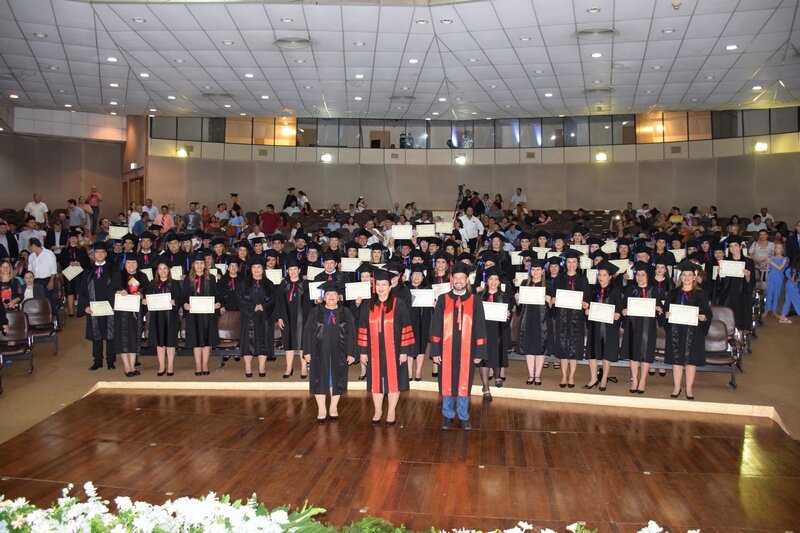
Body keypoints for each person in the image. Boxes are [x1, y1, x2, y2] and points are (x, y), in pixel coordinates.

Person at [429, 262, 487, 430]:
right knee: (446, 381)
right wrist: (435, 350)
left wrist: (479, 352)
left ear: (467, 280)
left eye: (462, 278)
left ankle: (463, 415)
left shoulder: (475, 301)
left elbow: (480, 327)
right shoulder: (443, 299)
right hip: (446, 349)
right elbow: (436, 326)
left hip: (467, 350)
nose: (459, 281)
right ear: (452, 280)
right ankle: (448, 415)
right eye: (456, 278)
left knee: (464, 381)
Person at [357, 268, 415, 426]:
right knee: (376, 382)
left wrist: (404, 351)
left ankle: (391, 411)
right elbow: (362, 328)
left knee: (393, 381)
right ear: (374, 286)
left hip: (394, 350)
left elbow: (406, 327)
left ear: (390, 286)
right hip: (373, 350)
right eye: (378, 284)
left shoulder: (399, 304)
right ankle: (378, 411)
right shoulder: (367, 304)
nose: (381, 287)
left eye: (384, 284)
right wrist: (362, 352)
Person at [302, 281, 357, 423]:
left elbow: (352, 333)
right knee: (319, 379)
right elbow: (307, 332)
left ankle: (333, 407)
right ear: (324, 297)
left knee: (336, 379)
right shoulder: (316, 311)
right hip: (318, 352)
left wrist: (351, 352)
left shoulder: (346, 312)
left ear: (339, 297)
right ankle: (321, 409)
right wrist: (307, 351)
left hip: (340, 352)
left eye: (334, 294)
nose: (331, 296)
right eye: (328, 294)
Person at [664, 261, 713, 400]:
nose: (686, 277)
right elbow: (666, 310)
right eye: (683, 274)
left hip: (694, 331)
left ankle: (689, 388)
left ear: (694, 277)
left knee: (691, 361)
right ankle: (677, 387)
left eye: (689, 275)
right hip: (676, 330)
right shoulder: (673, 293)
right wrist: (666, 315)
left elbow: (708, 313)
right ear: (680, 277)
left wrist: (704, 317)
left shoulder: (701, 294)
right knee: (677, 360)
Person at [548, 249, 589, 388]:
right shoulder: (560, 278)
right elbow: (554, 295)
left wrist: (585, 303)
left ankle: (572, 376)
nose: (571, 264)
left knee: (574, 346)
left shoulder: (583, 279)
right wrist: (553, 299)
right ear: (565, 263)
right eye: (569, 262)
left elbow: (587, 297)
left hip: (577, 317)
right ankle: (564, 375)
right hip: (562, 316)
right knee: (563, 345)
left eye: (574, 262)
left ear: (578, 263)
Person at [621, 262, 660, 394]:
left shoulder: (653, 290)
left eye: (643, 275)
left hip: (648, 326)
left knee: (646, 353)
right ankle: (635, 380)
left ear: (648, 276)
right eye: (638, 274)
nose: (640, 277)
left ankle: (643, 380)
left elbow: (660, 306)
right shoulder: (631, 289)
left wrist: (659, 309)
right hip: (633, 325)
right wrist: (623, 311)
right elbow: (623, 306)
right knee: (634, 353)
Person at [584, 261, 623, 391]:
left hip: (609, 327)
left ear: (610, 277)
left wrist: (617, 315)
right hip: (595, 325)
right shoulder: (593, 290)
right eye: (599, 274)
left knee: (607, 353)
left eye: (604, 275)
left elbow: (619, 309)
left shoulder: (615, 291)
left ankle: (604, 379)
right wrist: (587, 310)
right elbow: (588, 305)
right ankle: (594, 378)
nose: (601, 277)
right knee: (592, 352)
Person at [77, 241, 116, 370]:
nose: (99, 254)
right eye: (97, 252)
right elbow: (83, 290)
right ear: (93, 254)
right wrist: (85, 307)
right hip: (94, 308)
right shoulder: (88, 271)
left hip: (110, 307)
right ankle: (97, 360)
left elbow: (117, 287)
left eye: (102, 252)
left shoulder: (113, 269)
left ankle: (111, 361)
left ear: (105, 254)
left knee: (111, 335)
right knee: (96, 335)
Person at [237, 258, 278, 378]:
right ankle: (248, 367)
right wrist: (252, 307)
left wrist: (263, 306)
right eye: (254, 267)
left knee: (263, 341)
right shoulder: (244, 284)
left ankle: (262, 367)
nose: (256, 270)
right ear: (251, 269)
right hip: (248, 316)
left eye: (259, 267)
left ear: (263, 269)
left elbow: (273, 300)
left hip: (264, 317)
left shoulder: (269, 284)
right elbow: (239, 299)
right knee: (247, 342)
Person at [182, 252, 221, 376]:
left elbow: (217, 295)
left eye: (202, 263)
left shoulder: (211, 278)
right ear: (193, 265)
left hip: (207, 315)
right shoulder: (188, 280)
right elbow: (183, 297)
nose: (199, 266)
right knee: (196, 340)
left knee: (206, 340)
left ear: (205, 264)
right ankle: (198, 365)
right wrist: (185, 304)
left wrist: (218, 304)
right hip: (193, 315)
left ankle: (205, 364)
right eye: (197, 263)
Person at [516, 258, 551, 386]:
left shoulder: (549, 284)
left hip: (542, 320)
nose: (535, 272)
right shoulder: (525, 283)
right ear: (530, 271)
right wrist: (517, 300)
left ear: (542, 271)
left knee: (540, 346)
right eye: (533, 269)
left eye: (538, 269)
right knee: (529, 346)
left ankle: (538, 375)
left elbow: (552, 306)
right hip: (528, 317)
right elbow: (520, 306)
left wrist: (550, 300)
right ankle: (531, 374)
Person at [144, 260, 181, 376]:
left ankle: (170, 366)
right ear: (157, 271)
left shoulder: (174, 283)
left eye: (165, 268)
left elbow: (180, 299)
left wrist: (176, 302)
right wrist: (145, 301)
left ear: (168, 270)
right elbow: (147, 298)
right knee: (159, 343)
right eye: (160, 269)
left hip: (171, 317)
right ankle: (161, 366)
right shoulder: (152, 284)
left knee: (170, 342)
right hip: (156, 317)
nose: (163, 271)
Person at [276, 256, 311, 379]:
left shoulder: (305, 283)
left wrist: (309, 320)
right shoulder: (283, 283)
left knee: (302, 343)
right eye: (290, 269)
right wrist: (279, 317)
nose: (292, 272)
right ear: (287, 271)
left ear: (299, 270)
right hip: (287, 317)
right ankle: (288, 367)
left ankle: (303, 367)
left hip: (302, 317)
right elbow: (279, 301)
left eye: (295, 269)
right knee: (288, 342)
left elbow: (309, 303)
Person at [479, 267, 511, 397]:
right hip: (483, 330)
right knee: (484, 357)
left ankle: (497, 375)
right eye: (490, 279)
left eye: (496, 279)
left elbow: (508, 314)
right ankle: (485, 387)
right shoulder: (480, 296)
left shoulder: (504, 296)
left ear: (499, 282)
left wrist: (508, 315)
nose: (493, 282)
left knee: (498, 352)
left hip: (499, 329)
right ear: (487, 281)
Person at [113, 254, 147, 377]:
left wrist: (142, 296)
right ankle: (127, 368)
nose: (131, 265)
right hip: (121, 313)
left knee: (134, 338)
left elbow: (148, 292)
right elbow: (109, 291)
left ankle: (132, 366)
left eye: (133, 263)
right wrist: (117, 292)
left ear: (137, 264)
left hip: (135, 313)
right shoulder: (118, 276)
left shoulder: (142, 277)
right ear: (124, 264)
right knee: (123, 339)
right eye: (128, 263)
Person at [405, 264, 431, 382]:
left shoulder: (428, 289)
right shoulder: (405, 289)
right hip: (410, 320)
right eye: (414, 274)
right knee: (410, 345)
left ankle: (419, 369)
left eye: (419, 275)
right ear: (411, 277)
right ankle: (409, 369)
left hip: (424, 319)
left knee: (422, 345)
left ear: (422, 277)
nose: (416, 277)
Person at [59, 230, 90, 316]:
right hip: (69, 273)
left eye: (75, 238)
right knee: (70, 291)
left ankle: (80, 309)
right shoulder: (64, 250)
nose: (73, 240)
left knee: (79, 291)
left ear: (77, 239)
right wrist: (69, 263)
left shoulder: (82, 249)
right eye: (72, 238)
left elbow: (87, 261)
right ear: (68, 240)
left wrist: (80, 263)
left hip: (80, 273)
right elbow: (61, 261)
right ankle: (71, 311)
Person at [27, 238, 58, 303]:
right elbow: (30, 270)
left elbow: (53, 269)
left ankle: (53, 313)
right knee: (38, 301)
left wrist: (51, 281)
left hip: (47, 280)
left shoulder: (48, 253)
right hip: (35, 281)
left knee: (48, 300)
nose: (28, 248)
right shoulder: (31, 256)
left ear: (33, 245)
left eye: (29, 246)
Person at [779, 256, 800, 323]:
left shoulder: (790, 269)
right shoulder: (795, 271)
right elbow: (793, 279)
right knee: (798, 302)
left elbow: (789, 276)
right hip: (793, 288)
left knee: (788, 302)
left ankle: (782, 316)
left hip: (788, 286)